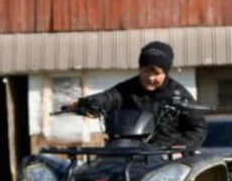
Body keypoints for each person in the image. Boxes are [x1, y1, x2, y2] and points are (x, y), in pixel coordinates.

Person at [68, 41, 207, 150]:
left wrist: (179, 148)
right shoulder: (127, 89)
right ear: (140, 69)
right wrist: (84, 103)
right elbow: (108, 98)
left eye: (157, 73)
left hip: (165, 158)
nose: (151, 78)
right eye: (146, 71)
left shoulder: (180, 95)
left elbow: (197, 128)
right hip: (128, 153)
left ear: (166, 73)